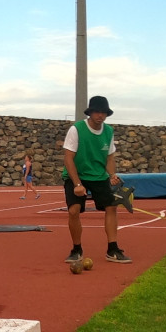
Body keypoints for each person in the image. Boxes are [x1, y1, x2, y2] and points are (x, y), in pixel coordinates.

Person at [62, 95, 131, 266]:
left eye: (104, 112)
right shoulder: (76, 129)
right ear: (90, 113)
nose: (100, 115)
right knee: (74, 211)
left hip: (99, 176)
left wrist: (112, 175)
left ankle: (113, 249)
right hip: (77, 175)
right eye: (97, 112)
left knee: (111, 207)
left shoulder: (108, 131)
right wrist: (77, 184)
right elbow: (68, 158)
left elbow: (109, 158)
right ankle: (76, 249)